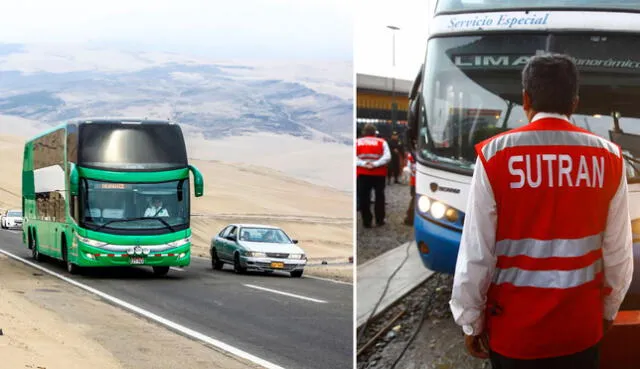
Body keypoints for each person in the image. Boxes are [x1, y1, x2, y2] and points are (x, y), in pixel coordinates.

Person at [450, 53, 634, 369]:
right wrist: (608, 311)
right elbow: (618, 252)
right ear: (574, 103)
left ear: (525, 99)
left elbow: (476, 252)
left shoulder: (495, 156)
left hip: (514, 335)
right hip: (580, 331)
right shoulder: (609, 158)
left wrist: (471, 321)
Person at [357, 123, 391, 228]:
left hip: (362, 173)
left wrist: (364, 164)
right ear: (374, 133)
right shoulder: (382, 142)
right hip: (379, 173)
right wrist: (375, 164)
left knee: (364, 198)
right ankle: (379, 220)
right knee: (379, 196)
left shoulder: (357, 142)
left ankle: (367, 221)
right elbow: (387, 157)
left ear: (364, 133)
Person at [403, 151, 416, 226]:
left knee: (415, 199)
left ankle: (410, 218)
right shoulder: (411, 155)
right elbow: (408, 167)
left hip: (416, 181)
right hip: (415, 181)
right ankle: (410, 218)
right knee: (415, 199)